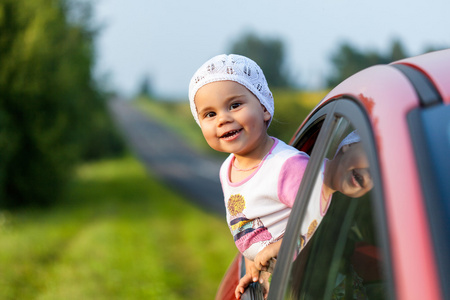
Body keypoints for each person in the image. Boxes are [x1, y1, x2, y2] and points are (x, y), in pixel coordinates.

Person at [188, 54, 309, 299]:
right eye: (209, 114)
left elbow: (327, 217)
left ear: (264, 107)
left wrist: (281, 247)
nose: (223, 118)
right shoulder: (227, 169)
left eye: (234, 105)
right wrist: (255, 267)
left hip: (308, 283)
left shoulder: (286, 166)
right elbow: (251, 225)